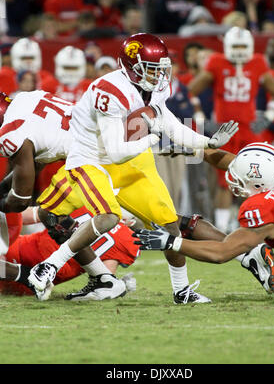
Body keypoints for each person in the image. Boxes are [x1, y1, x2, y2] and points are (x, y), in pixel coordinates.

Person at [28, 32, 239, 304]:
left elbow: (169, 122)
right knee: (80, 216)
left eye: (162, 68)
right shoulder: (110, 92)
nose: (160, 76)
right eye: (152, 70)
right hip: (91, 160)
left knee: (169, 223)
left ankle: (182, 291)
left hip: (131, 161)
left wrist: (207, 141)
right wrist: (153, 137)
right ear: (131, 67)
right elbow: (115, 152)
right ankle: (54, 267)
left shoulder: (156, 86)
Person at [0, 89, 126, 300]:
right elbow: (37, 159)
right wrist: (3, 187)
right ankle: (103, 278)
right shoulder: (25, 99)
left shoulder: (11, 133)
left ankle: (40, 272)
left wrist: (3, 201)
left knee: (109, 216)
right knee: (51, 215)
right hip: (111, 143)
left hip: (96, 159)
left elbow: (21, 201)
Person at [134, 142, 274, 295]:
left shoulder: (270, 209)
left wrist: (171, 242)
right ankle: (250, 255)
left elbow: (221, 253)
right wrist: (195, 149)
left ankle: (250, 254)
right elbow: (233, 163)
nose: (235, 180)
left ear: (259, 184)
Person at [188, 26, 274, 234]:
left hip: (249, 130)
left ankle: (257, 222)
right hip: (225, 131)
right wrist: (200, 116)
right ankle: (222, 227)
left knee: (257, 179)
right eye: (236, 46)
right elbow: (191, 90)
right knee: (225, 180)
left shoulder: (258, 62)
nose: (239, 50)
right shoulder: (217, 62)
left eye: (242, 46)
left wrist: (268, 117)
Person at [0, 206, 139, 299]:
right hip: (39, 282)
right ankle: (23, 275)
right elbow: (105, 277)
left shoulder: (85, 206)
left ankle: (22, 274)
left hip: (20, 248)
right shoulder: (126, 239)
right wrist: (120, 284)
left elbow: (29, 215)